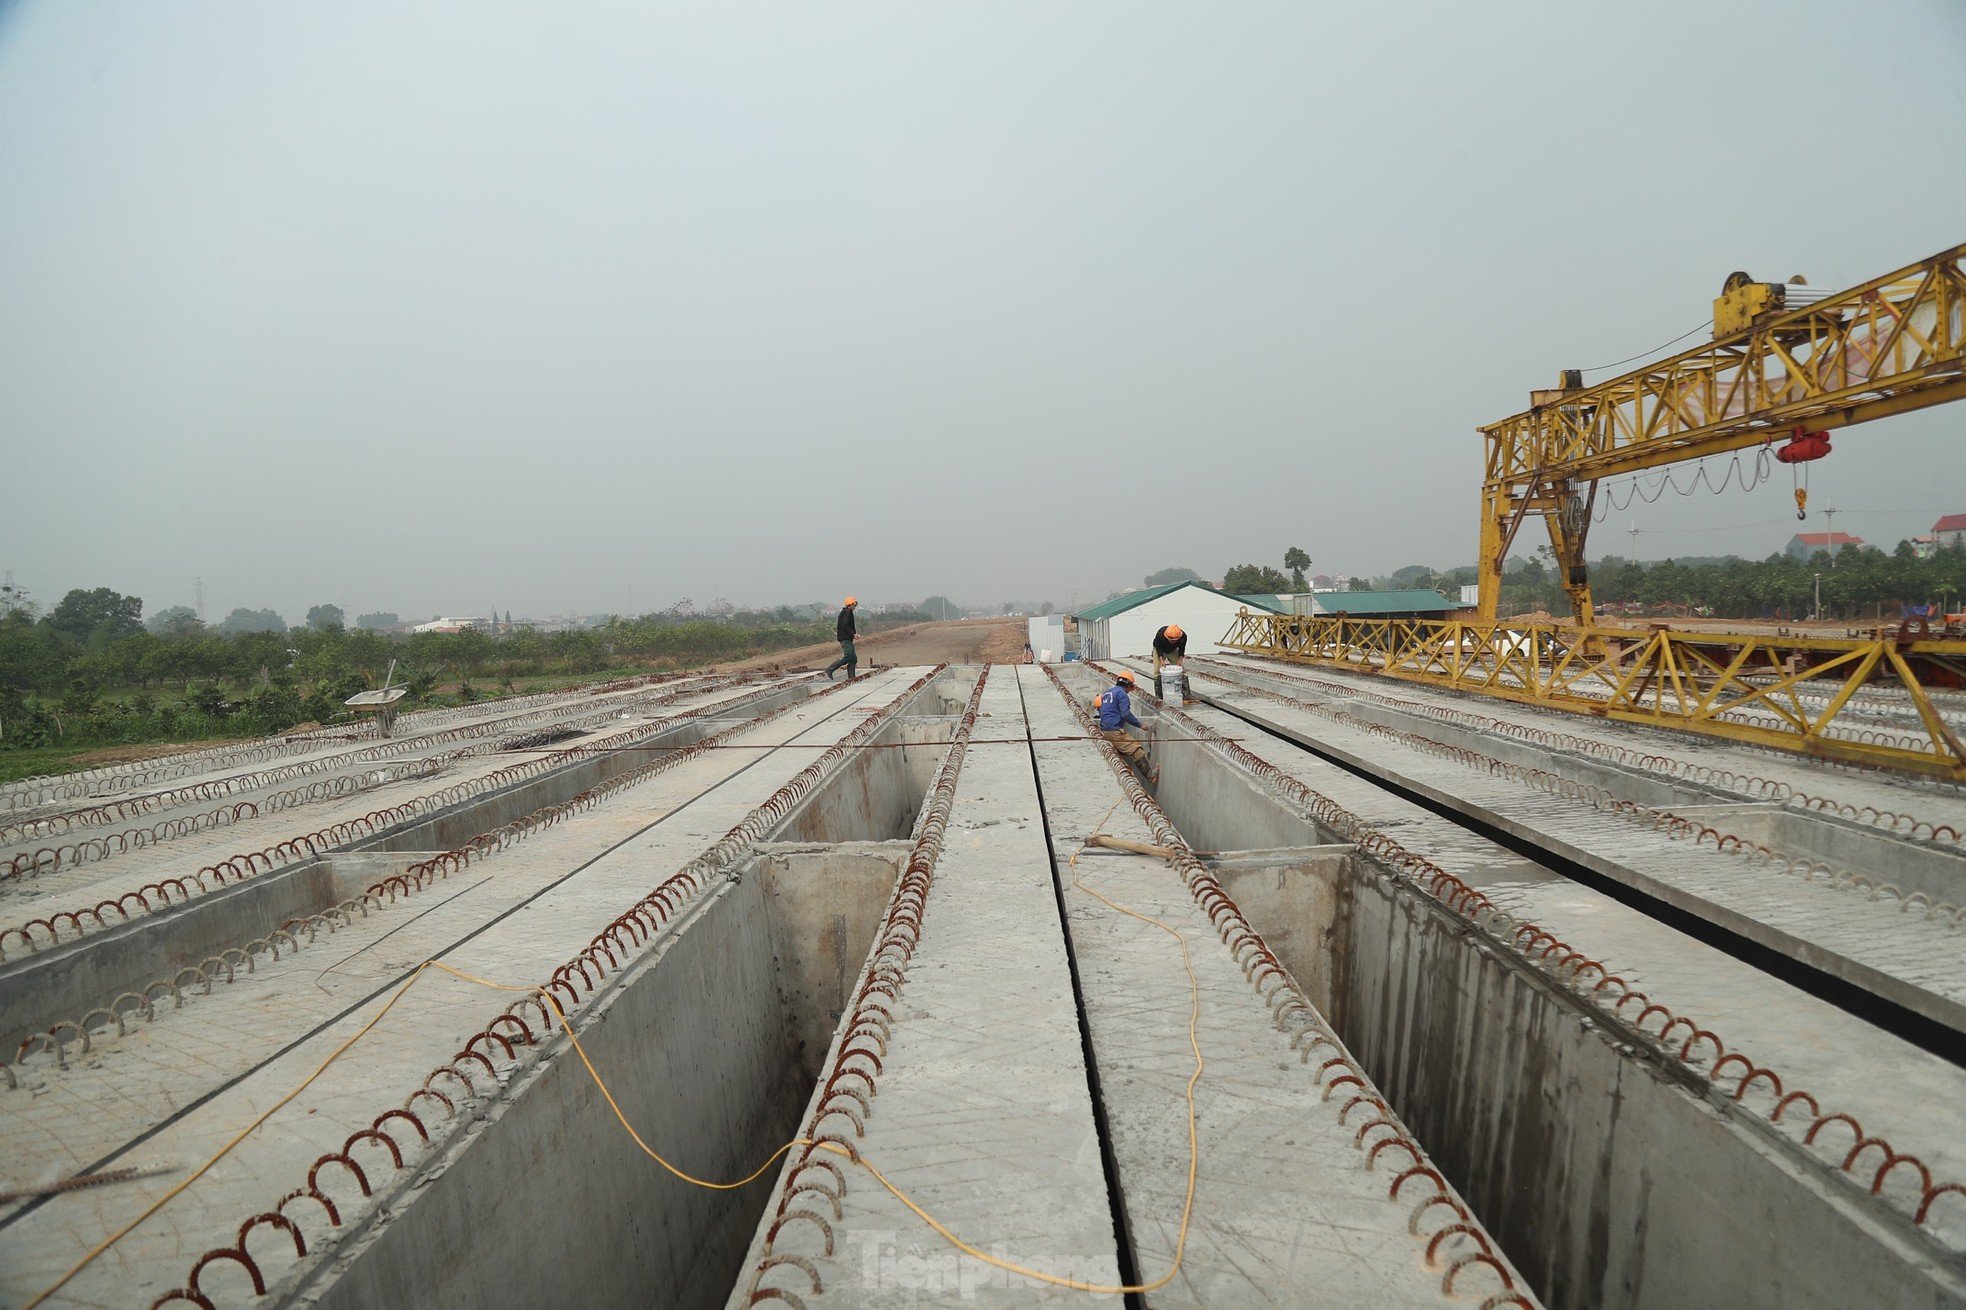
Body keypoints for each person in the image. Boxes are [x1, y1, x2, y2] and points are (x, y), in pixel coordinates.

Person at [1094, 669, 1156, 785]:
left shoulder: (1108, 693)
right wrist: (1141, 725)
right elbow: (1125, 714)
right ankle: (1150, 776)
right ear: (1129, 685)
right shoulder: (1122, 694)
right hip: (1115, 732)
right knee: (1137, 749)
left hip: (1104, 730)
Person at [1151, 624, 1190, 702]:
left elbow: (1182, 649)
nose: (1172, 641)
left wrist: (1180, 660)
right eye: (1171, 640)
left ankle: (1186, 694)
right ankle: (1159, 696)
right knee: (1157, 671)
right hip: (1159, 650)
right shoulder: (1160, 634)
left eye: (1175, 640)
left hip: (1172, 650)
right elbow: (1158, 648)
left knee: (1181, 669)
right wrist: (1161, 660)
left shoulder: (1183, 636)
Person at [826, 596, 859, 680]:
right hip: (845, 638)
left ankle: (852, 677)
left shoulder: (848, 612)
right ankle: (830, 669)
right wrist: (853, 634)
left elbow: (849, 626)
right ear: (850, 605)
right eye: (854, 605)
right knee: (848, 656)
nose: (855, 606)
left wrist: (854, 634)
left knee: (853, 658)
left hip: (847, 638)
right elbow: (845, 626)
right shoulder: (847, 612)